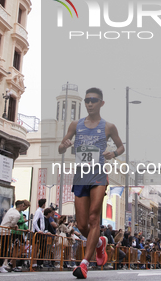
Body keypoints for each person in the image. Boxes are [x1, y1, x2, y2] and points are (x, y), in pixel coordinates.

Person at [58, 87, 124, 279]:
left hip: (98, 175)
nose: (89, 103)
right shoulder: (75, 125)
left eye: (94, 100)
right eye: (87, 100)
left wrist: (113, 154)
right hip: (81, 175)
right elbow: (61, 148)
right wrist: (65, 145)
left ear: (101, 103)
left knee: (94, 217)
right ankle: (99, 243)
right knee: (81, 223)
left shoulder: (108, 127)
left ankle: (84, 264)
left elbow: (121, 147)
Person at [0, 200, 29, 273]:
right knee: (5, 248)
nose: (24, 208)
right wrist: (15, 226)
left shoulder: (11, 210)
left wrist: (14, 225)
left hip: (2, 228)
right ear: (20, 206)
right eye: (23, 206)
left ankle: (0, 263)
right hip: (6, 231)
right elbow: (13, 224)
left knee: (3, 248)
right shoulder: (17, 215)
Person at [31, 198, 47, 268]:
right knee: (36, 247)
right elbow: (34, 221)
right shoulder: (38, 211)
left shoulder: (41, 212)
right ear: (43, 204)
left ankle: (36, 262)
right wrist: (38, 230)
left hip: (41, 232)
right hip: (37, 232)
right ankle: (34, 262)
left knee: (39, 247)